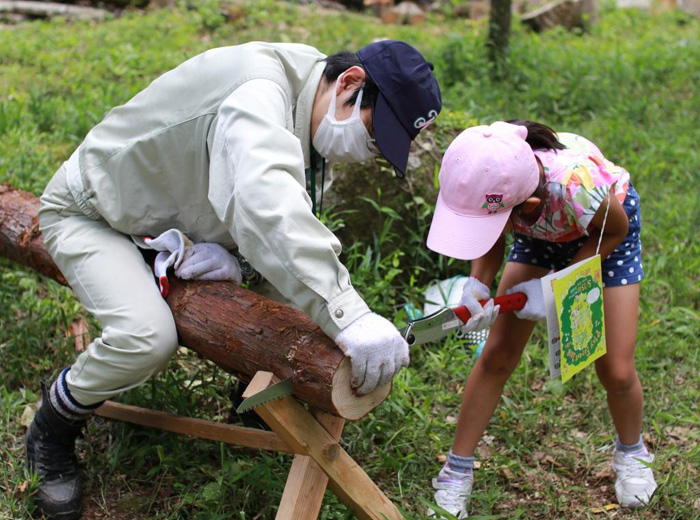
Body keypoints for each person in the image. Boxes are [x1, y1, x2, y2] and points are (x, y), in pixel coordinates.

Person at [26, 40, 442, 520]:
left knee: (288, 305)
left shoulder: (314, 110)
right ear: (350, 83)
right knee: (146, 339)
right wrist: (349, 312)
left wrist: (239, 263)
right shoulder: (259, 89)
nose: (366, 152)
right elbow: (264, 198)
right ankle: (54, 424)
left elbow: (291, 220)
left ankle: (252, 402)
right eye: (372, 136)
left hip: (171, 225)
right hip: (95, 213)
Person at [424, 121, 656, 518]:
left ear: (527, 206)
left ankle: (632, 451)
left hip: (603, 236)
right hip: (540, 235)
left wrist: (555, 289)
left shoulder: (576, 187)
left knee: (615, 370)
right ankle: (456, 470)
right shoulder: (491, 171)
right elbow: (490, 233)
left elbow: (614, 231)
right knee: (496, 354)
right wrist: (478, 285)